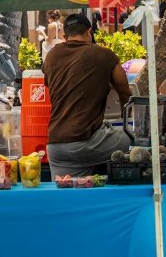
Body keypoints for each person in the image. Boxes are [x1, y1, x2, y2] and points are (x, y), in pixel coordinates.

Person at [43, 13, 133, 178]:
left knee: (68, 193)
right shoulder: (104, 55)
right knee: (133, 142)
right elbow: (125, 94)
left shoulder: (51, 57)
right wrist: (129, 125)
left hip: (55, 146)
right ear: (89, 32)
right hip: (85, 143)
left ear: (65, 36)